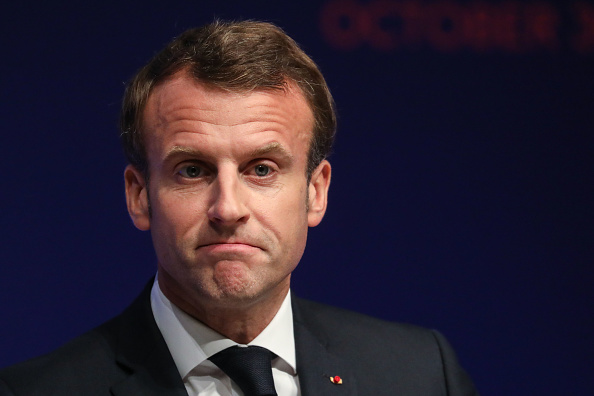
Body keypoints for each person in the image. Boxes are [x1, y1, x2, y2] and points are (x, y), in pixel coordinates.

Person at [0, 20, 479, 395]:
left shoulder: (420, 374)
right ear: (139, 195)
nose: (228, 208)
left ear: (316, 191)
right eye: (192, 170)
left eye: (262, 169)